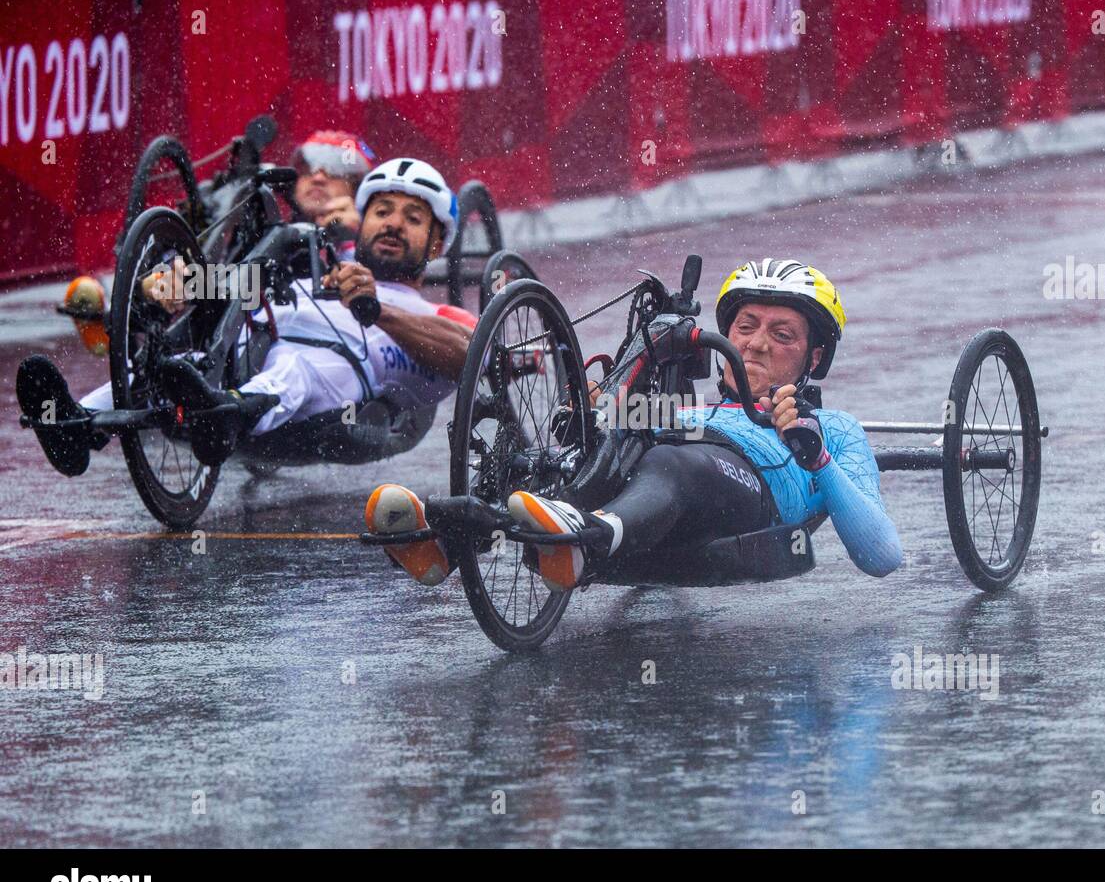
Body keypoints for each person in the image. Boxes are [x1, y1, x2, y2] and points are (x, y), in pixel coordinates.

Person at [367, 259, 903, 590]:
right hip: (669, 477)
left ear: (813, 360)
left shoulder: (831, 428)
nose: (758, 343)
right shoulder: (688, 414)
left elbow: (881, 556)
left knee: (671, 459)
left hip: (748, 499)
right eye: (746, 327)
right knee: (604, 440)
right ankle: (448, 544)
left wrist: (817, 459)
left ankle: (586, 539)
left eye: (783, 335)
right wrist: (595, 416)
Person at [17, 157, 476, 475]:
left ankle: (227, 414)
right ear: (364, 220)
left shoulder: (436, 312)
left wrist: (377, 309)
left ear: (436, 245)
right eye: (382, 211)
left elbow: (469, 354)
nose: (394, 223)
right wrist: (174, 286)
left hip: (335, 393)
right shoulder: (318, 269)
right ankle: (76, 425)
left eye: (413, 218)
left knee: (295, 366)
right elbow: (241, 286)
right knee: (188, 349)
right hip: (248, 349)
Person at [289, 130, 377, 258]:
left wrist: (357, 241)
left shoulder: (373, 253)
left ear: (357, 188)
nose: (318, 178)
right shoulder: (265, 234)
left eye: (336, 170)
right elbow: (253, 277)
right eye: (308, 168)